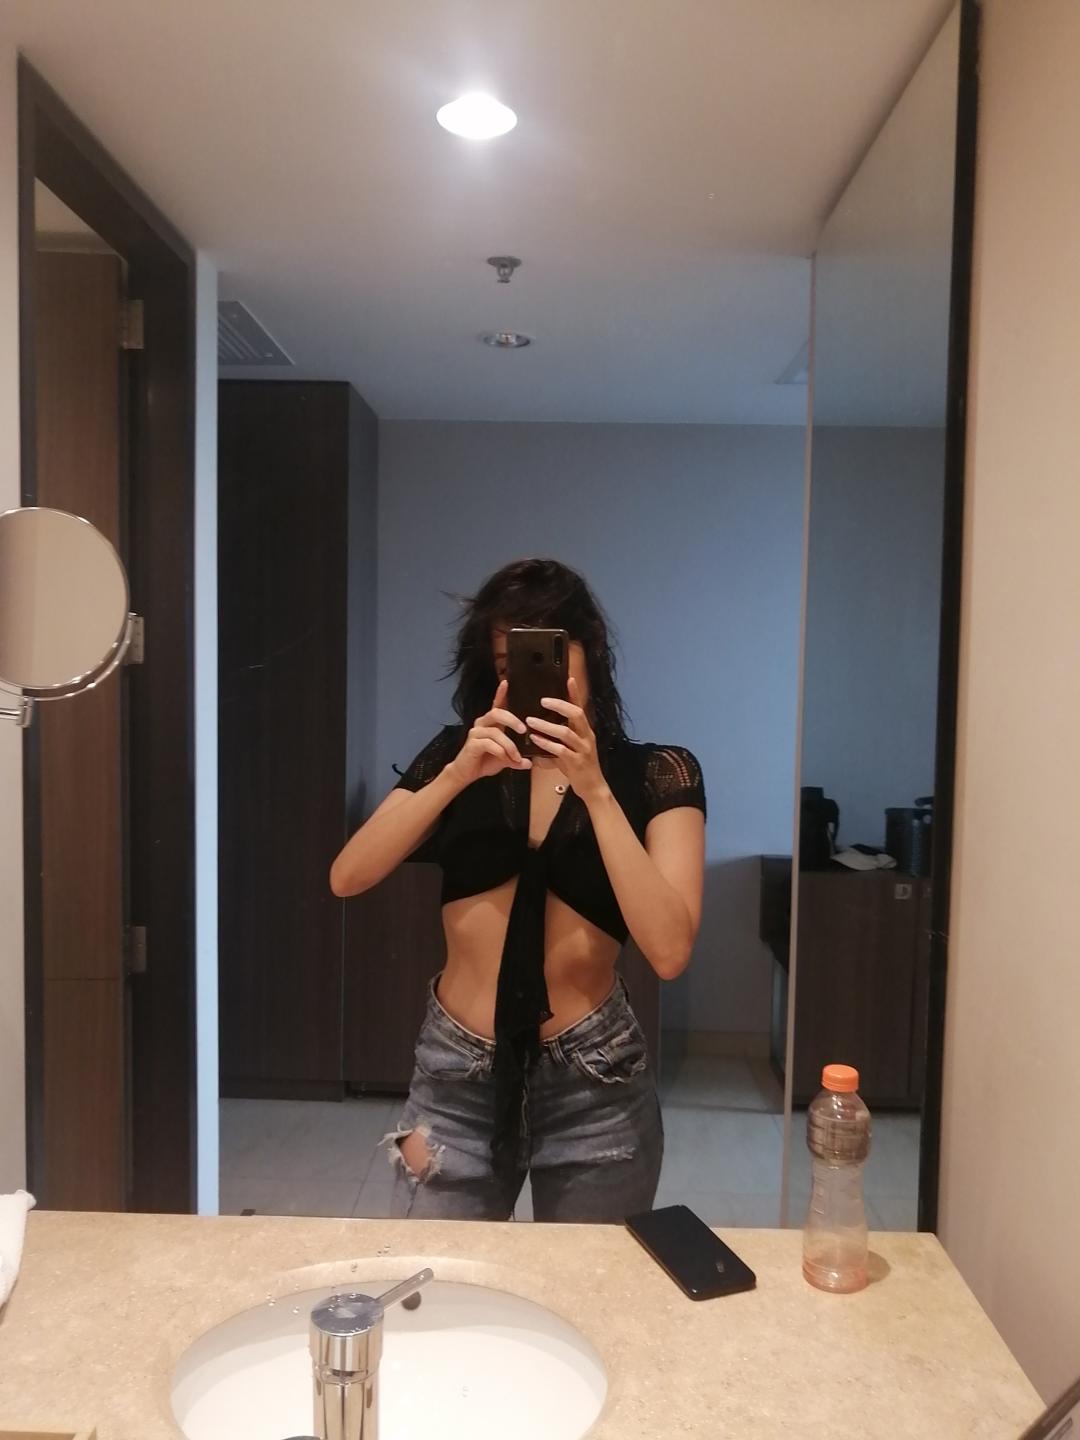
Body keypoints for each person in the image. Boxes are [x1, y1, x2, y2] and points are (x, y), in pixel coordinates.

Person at [330, 558, 706, 1221]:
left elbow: (670, 951)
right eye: (509, 661)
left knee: (585, 1285)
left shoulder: (657, 772)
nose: (529, 678)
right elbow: (348, 875)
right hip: (455, 1076)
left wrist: (594, 788)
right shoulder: (459, 755)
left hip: (596, 1082)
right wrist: (456, 776)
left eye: (548, 655)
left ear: (591, 654)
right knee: (436, 1278)